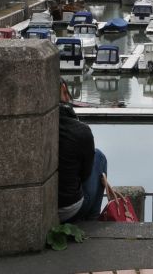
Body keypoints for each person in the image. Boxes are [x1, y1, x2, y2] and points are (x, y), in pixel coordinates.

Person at [58, 81, 108, 222]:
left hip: (41, 207)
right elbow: (85, 175)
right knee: (99, 157)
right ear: (64, 91)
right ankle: (92, 219)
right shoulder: (81, 130)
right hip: (68, 210)